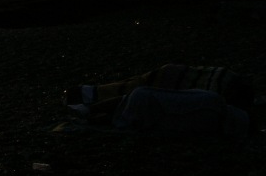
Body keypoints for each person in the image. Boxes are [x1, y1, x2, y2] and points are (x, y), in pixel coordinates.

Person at [65, 64, 257, 129]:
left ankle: (87, 109)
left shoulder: (215, 98)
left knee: (133, 92)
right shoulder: (215, 104)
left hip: (160, 88)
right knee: (132, 96)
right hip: (160, 91)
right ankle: (87, 111)